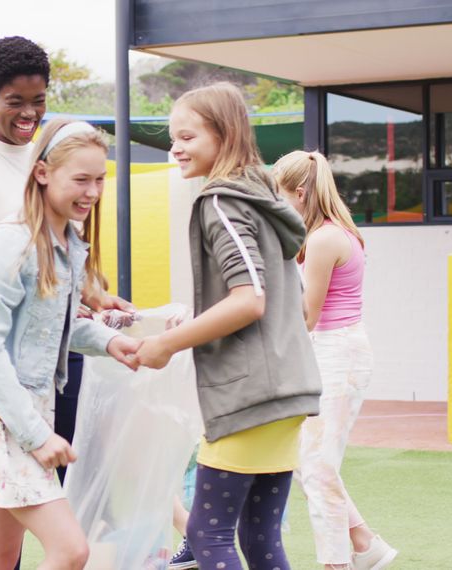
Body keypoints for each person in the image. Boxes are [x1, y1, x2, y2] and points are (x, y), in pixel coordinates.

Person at [0, 36, 134, 561]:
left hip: (38, 385)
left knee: (0, 551)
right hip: (2, 398)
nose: (91, 192)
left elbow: (58, 312)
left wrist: (102, 331)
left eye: (38, 100)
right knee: (69, 548)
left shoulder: (65, 233)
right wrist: (10, 289)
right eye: (15, 100)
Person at [136, 82, 321, 570]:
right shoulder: (260, 195)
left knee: (206, 533)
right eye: (173, 137)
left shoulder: (220, 201)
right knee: (258, 534)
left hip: (249, 396)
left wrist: (166, 344)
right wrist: (194, 321)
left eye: (187, 137)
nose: (175, 147)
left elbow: (249, 301)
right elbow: (274, 301)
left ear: (225, 135)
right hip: (289, 387)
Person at [272, 150, 398, 570]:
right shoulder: (330, 233)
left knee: (317, 469)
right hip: (334, 350)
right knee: (309, 463)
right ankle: (364, 543)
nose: (277, 205)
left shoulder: (325, 238)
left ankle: (337, 563)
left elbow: (307, 315)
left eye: (281, 196)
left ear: (302, 193)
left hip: (336, 352)